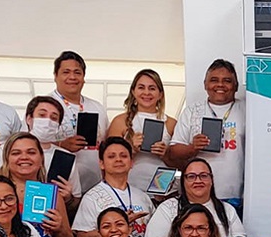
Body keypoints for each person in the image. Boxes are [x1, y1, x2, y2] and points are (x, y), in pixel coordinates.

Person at [167, 59, 246, 207]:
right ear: (205, 84)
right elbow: (173, 152)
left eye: (227, 81)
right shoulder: (192, 111)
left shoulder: (247, 110)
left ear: (235, 86)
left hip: (238, 196)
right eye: (214, 80)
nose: (220, 85)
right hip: (199, 196)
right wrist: (193, 148)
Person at [0, 132, 75, 237]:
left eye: (31, 152)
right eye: (16, 153)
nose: (24, 157)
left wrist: (59, 228)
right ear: (7, 159)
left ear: (41, 158)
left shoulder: (52, 194)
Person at [144, 158, 247, 237]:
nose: (198, 181)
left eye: (203, 176)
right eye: (191, 176)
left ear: (211, 180)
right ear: (183, 181)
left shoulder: (226, 209)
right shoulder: (168, 208)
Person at [72, 137, 153, 237]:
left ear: (131, 163)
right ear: (101, 164)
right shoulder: (91, 197)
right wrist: (120, 224)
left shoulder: (143, 197)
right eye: (111, 156)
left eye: (123, 156)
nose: (118, 159)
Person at [108, 69, 177, 194]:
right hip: (129, 186)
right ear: (133, 91)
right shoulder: (120, 121)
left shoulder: (171, 123)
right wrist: (131, 148)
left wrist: (165, 154)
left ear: (160, 94)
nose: (146, 93)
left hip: (163, 186)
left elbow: (182, 164)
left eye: (152, 88)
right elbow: (107, 160)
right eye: (141, 87)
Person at [50, 51, 109, 198]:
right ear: (55, 76)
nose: (72, 77)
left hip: (94, 187)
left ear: (83, 77)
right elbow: (30, 142)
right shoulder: (45, 105)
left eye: (77, 72)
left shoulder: (97, 107)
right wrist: (61, 145)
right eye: (66, 72)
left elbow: (106, 144)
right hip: (59, 187)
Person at [22, 95, 71, 197]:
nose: (48, 121)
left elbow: (75, 199)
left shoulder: (65, 157)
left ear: (58, 126)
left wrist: (68, 198)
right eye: (42, 115)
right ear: (29, 119)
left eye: (54, 118)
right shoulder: (6, 150)